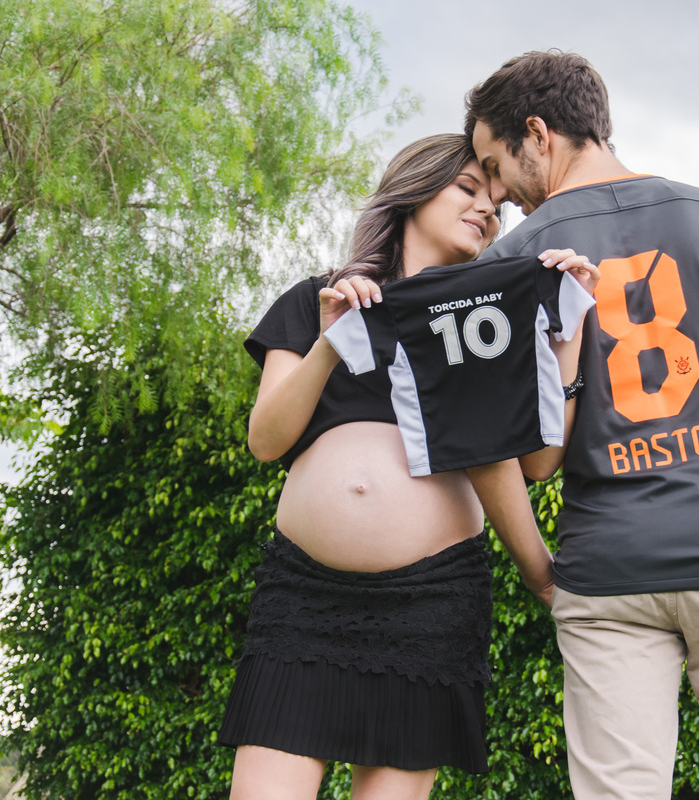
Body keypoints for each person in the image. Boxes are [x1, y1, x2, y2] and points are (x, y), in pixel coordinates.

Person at [464, 51, 699, 800]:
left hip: (609, 570)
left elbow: (510, 451)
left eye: (495, 165)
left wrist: (540, 571)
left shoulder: (504, 265)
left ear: (538, 134)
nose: (498, 194)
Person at [217, 132, 595, 800]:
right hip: (302, 597)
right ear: (414, 192)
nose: (487, 209)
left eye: (497, 204)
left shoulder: (488, 320)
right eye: (468, 189)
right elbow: (266, 440)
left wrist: (568, 329)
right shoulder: (316, 298)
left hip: (431, 604)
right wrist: (332, 343)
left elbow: (537, 462)